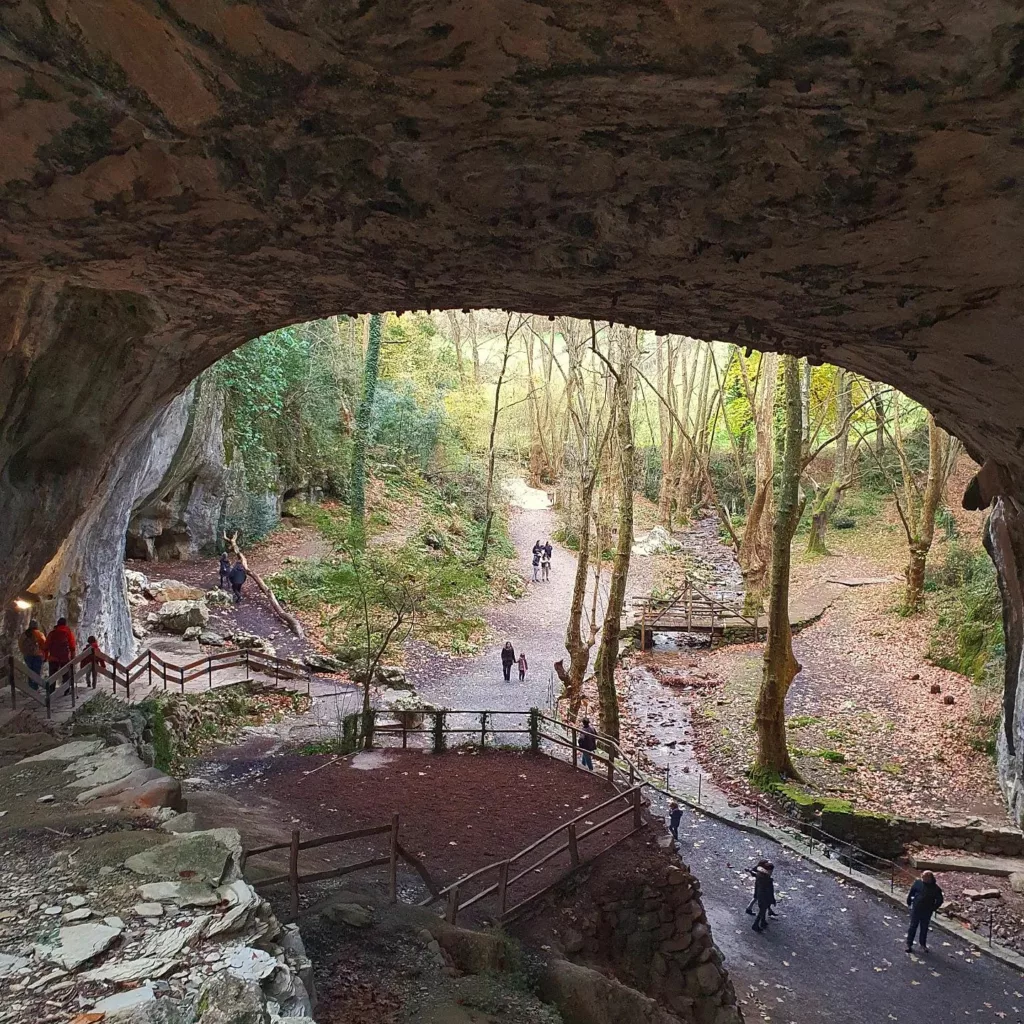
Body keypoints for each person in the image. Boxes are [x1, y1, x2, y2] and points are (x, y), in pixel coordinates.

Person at [906, 870, 943, 952]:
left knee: (924, 928)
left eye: (924, 877)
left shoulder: (935, 888)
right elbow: (912, 892)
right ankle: (909, 944)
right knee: (912, 926)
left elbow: (940, 900)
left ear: (929, 878)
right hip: (916, 909)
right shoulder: (918, 883)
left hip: (926, 911)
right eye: (922, 876)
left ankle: (922, 944)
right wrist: (909, 901)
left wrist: (933, 908)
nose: (922, 878)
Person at [45, 616, 76, 695]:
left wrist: (46, 657)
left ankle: (51, 692)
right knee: (66, 675)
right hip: (64, 658)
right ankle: (66, 690)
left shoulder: (52, 633)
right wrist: (73, 657)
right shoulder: (68, 633)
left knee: (52, 675)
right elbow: (72, 646)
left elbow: (46, 646)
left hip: (53, 658)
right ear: (65, 624)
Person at [17, 620, 47, 689]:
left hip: (27, 655)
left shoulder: (24, 634)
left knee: (29, 671)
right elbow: (44, 644)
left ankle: (30, 687)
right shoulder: (39, 634)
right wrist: (43, 654)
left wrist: (24, 652)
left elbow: (20, 644)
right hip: (37, 655)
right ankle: (35, 687)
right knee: (36, 672)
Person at [751, 862, 776, 933]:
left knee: (763, 910)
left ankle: (763, 922)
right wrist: (772, 899)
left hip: (760, 896)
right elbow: (770, 891)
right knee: (761, 912)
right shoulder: (767, 880)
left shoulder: (759, 876)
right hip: (764, 898)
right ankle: (756, 925)